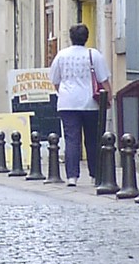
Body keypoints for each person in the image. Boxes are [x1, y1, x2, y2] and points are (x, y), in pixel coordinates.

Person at [48, 23, 112, 186]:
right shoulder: (94, 55)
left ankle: (72, 176)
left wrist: (62, 91)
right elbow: (103, 80)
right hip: (90, 102)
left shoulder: (61, 56)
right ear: (86, 37)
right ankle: (95, 174)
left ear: (70, 38)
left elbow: (55, 80)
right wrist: (109, 98)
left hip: (67, 103)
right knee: (92, 139)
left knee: (71, 139)